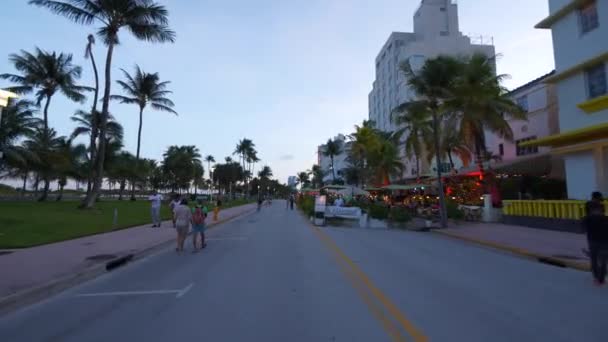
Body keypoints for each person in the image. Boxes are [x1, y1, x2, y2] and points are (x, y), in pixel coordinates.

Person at [583, 191, 608, 285]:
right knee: (601, 258)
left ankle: (598, 278)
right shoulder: (599, 214)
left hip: (595, 238)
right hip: (599, 239)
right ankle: (600, 278)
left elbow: (584, 227)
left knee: (597, 258)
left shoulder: (587, 216)